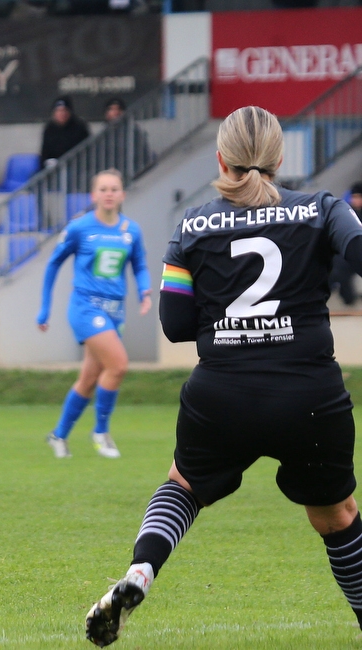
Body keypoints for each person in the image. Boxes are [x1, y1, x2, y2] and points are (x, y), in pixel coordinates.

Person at [85, 106, 362, 646]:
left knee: (182, 486)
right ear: (281, 158)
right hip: (308, 396)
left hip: (221, 395)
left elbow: (174, 324)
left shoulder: (189, 226)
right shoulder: (323, 208)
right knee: (337, 516)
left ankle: (141, 572)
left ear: (221, 159)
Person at [37, 169, 151, 460]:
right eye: (103, 189)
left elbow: (139, 264)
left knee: (89, 378)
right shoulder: (80, 227)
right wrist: (44, 308)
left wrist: (145, 291)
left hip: (116, 310)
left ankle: (58, 435)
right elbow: (53, 264)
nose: (109, 193)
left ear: (122, 195)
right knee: (119, 365)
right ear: (93, 195)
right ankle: (100, 431)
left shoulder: (131, 230)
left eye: (114, 188)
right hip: (86, 307)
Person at [100, 97, 154, 180]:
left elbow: (142, 154)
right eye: (111, 109)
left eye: (119, 109)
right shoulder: (102, 134)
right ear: (106, 113)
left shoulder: (133, 131)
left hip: (131, 175)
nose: (116, 112)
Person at [329, 181, 362, 306]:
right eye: (354, 197)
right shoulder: (348, 212)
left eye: (359, 197)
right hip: (348, 250)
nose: (356, 200)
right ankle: (348, 300)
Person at [39, 96, 89, 170]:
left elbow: (86, 150)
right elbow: (44, 153)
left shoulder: (79, 127)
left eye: (64, 110)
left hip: (76, 167)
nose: (62, 114)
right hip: (53, 169)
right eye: (58, 111)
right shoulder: (49, 129)